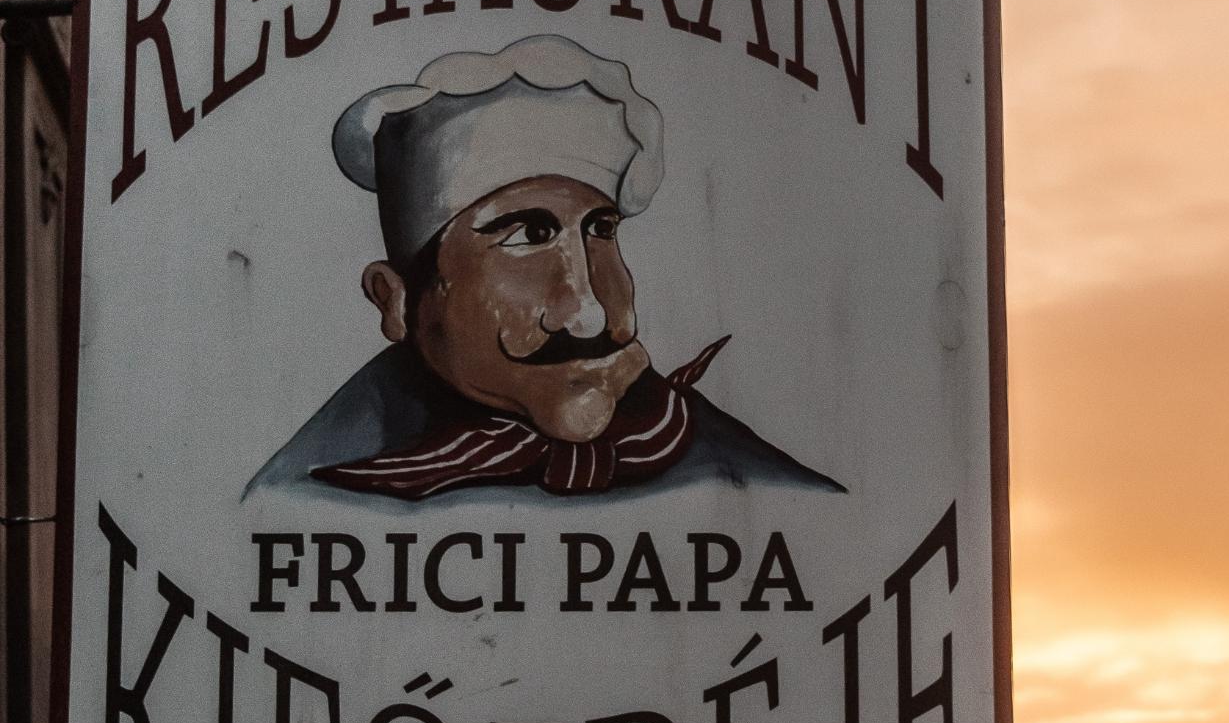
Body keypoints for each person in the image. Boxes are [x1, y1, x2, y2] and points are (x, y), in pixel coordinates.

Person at [247, 35, 841, 503]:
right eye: (529, 235)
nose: (590, 313)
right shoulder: (301, 494)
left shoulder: (758, 484)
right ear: (396, 301)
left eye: (601, 231)